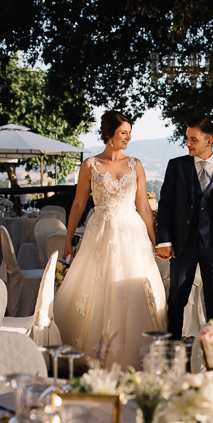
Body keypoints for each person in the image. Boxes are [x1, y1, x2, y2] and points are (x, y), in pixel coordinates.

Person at [54, 111, 167, 369]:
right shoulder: (90, 165)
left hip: (132, 235)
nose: (128, 138)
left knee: (132, 291)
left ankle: (133, 355)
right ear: (109, 135)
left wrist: (156, 241)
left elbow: (144, 207)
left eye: (129, 133)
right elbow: (79, 204)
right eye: (123, 133)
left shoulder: (136, 165)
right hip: (100, 233)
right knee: (96, 289)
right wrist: (68, 239)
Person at [155, 116, 213, 337]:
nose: (188, 144)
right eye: (187, 139)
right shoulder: (177, 166)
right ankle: (172, 348)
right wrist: (164, 239)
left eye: (193, 139)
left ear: (208, 141)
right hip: (183, 244)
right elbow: (165, 205)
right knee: (177, 300)